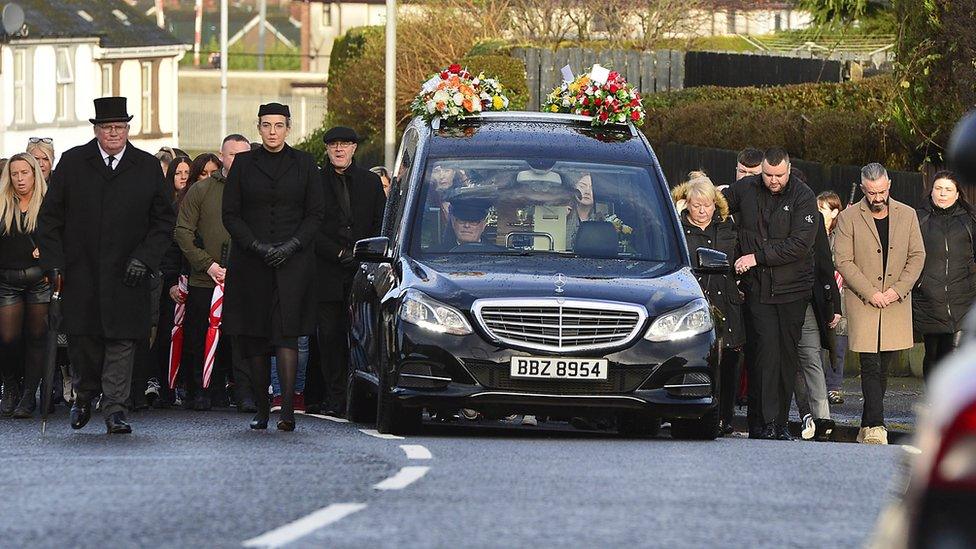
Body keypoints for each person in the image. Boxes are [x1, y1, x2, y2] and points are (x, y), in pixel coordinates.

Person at [36, 96, 176, 434]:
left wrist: (145, 258)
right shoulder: (72, 163)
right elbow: (49, 220)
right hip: (82, 271)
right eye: (106, 127)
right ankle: (84, 396)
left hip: (129, 272)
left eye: (119, 127)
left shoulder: (144, 166)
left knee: (122, 342)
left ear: (128, 128)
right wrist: (54, 265)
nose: (113, 133)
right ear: (96, 129)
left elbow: (163, 221)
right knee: (85, 342)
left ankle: (115, 408)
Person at [222, 102, 325, 431]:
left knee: (286, 335)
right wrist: (255, 245)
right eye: (266, 125)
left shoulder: (305, 164)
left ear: (288, 128)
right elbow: (231, 214)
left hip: (292, 262)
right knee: (254, 336)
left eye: (278, 125)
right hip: (251, 261)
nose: (272, 132)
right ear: (258, 127)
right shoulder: (243, 164)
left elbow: (315, 214)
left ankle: (287, 412)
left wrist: (293, 245)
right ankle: (262, 408)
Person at [723, 147, 818, 440]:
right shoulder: (746, 188)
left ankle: (779, 423)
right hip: (758, 289)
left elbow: (799, 245)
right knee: (763, 355)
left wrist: (757, 256)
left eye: (778, 175)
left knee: (787, 357)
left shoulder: (804, 197)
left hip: (792, 289)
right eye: (767, 174)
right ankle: (760, 423)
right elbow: (716, 206)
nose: (773, 180)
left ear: (788, 170)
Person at [833, 163, 925, 445]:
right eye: (872, 192)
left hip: (896, 302)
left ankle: (865, 425)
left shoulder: (907, 215)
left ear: (890, 186)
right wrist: (870, 292)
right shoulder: (848, 217)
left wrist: (897, 291)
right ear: (863, 189)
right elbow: (843, 260)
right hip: (864, 301)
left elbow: (917, 256)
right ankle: (876, 425)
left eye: (882, 191)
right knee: (870, 365)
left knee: (884, 368)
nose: (877, 197)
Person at [174, 135, 252, 411]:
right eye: (232, 155)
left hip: (245, 279)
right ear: (222, 156)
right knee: (198, 337)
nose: (238, 160)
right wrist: (207, 264)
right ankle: (200, 391)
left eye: (244, 154)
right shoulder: (202, 190)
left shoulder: (258, 190)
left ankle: (243, 392)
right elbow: (183, 232)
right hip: (204, 278)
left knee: (242, 338)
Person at [315, 126, 384, 416]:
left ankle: (362, 397)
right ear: (327, 149)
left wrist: (361, 254)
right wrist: (337, 252)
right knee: (329, 337)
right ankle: (334, 397)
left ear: (354, 148)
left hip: (363, 270)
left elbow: (381, 223)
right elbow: (310, 224)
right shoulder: (316, 182)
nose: (339, 149)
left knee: (363, 334)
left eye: (344, 144)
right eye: (333, 145)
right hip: (327, 271)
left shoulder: (370, 182)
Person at [671, 171, 744, 436]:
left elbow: (732, 260)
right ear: (686, 204)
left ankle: (726, 417)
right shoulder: (677, 229)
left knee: (729, 362)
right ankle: (690, 412)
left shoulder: (727, 227)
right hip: (694, 300)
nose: (703, 211)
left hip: (726, 300)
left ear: (716, 204)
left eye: (708, 205)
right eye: (696, 205)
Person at [791, 170, 841, 441]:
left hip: (808, 301)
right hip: (779, 299)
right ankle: (805, 414)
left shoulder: (814, 219)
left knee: (810, 358)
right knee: (792, 363)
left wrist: (834, 304)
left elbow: (825, 263)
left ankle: (823, 417)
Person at [913, 170, 976, 380]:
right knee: (932, 354)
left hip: (962, 298)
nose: (942, 193)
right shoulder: (918, 218)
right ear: (931, 191)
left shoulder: (969, 220)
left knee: (952, 354)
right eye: (938, 188)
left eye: (948, 189)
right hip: (928, 298)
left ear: (957, 194)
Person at [0, 153, 50, 418]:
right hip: (7, 280)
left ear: (35, 174)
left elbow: (63, 236)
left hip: (38, 280)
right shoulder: (2, 203)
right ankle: (10, 384)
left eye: (25, 173)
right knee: (8, 338)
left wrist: (48, 251)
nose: (20, 179)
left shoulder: (47, 203)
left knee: (37, 338)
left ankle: (29, 394)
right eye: (15, 173)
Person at [817, 191, 847, 405]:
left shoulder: (841, 234)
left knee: (839, 343)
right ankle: (817, 387)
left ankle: (834, 386)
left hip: (840, 293)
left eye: (823, 209)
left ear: (835, 211)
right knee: (816, 345)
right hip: (818, 294)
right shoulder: (812, 231)